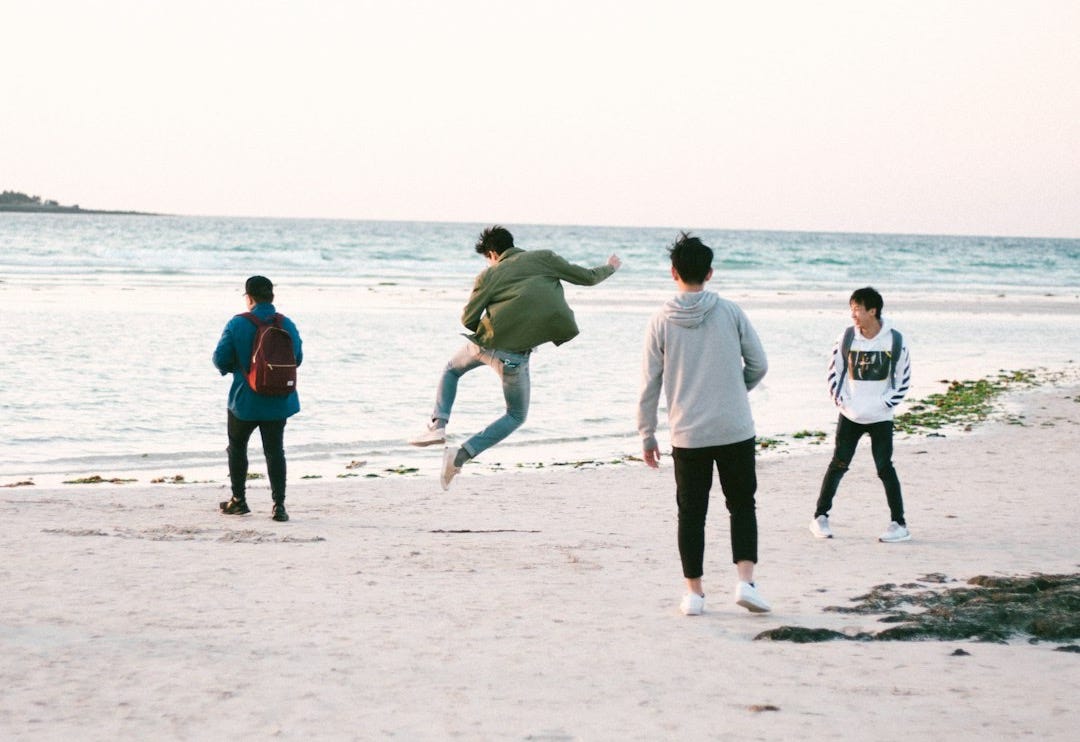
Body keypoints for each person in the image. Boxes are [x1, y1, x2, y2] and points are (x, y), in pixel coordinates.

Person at [409, 225, 621, 490]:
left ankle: (438, 426)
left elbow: (467, 319)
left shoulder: (488, 274)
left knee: (452, 370)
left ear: (492, 253)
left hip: (484, 346)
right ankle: (460, 456)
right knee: (516, 415)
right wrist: (610, 267)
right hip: (513, 359)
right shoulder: (544, 258)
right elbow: (588, 278)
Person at [638, 233, 770, 616]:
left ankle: (694, 594)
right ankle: (745, 582)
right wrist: (734, 390)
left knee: (691, 513)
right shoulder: (731, 312)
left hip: (688, 433)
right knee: (742, 505)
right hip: (734, 427)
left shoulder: (660, 320)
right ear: (709, 273)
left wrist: (647, 434)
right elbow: (758, 364)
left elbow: (649, 383)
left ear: (673, 272)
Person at [810, 286, 912, 542]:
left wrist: (885, 404)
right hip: (850, 415)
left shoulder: (895, 340)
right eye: (851, 309)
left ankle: (899, 524)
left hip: (881, 418)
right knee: (838, 465)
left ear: (872, 311)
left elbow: (904, 379)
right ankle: (820, 518)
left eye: (857, 309)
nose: (853, 314)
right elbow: (834, 373)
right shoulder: (846, 338)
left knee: (885, 468)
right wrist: (842, 402)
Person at [212, 275, 303, 522]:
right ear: (272, 296)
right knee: (275, 451)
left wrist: (241, 370)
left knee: (237, 448)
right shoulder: (287, 324)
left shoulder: (237, 323)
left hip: (245, 401)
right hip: (278, 400)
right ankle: (279, 506)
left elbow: (219, 359)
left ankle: (239, 501)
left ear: (249, 297)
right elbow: (298, 358)